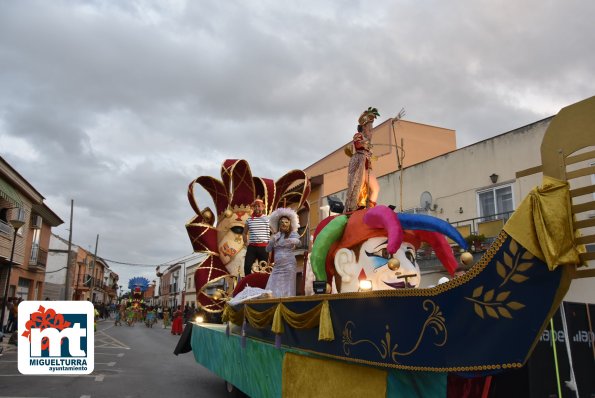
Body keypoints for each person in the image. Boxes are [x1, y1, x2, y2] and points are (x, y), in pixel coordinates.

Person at [345, 107, 381, 212]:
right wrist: (365, 144)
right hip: (360, 164)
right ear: (364, 127)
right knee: (359, 185)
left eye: (371, 128)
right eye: (370, 128)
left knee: (375, 188)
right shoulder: (358, 136)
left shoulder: (367, 139)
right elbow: (357, 145)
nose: (371, 130)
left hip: (366, 166)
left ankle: (370, 209)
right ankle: (359, 206)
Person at [265, 208, 301, 297]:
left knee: (288, 289)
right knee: (272, 289)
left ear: (290, 224)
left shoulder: (292, 234)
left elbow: (299, 243)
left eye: (286, 222)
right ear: (279, 224)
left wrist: (288, 241)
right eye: (282, 222)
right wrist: (272, 240)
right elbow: (267, 249)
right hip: (277, 267)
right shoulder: (276, 236)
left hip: (289, 265)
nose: (284, 224)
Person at [243, 199, 270, 277]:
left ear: (263, 207)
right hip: (252, 247)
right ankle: (248, 283)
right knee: (247, 266)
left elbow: (274, 231)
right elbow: (244, 233)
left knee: (263, 269)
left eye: (259, 206)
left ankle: (262, 286)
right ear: (253, 208)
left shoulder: (268, 219)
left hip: (264, 247)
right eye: (255, 206)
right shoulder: (249, 220)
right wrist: (245, 242)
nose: (257, 208)